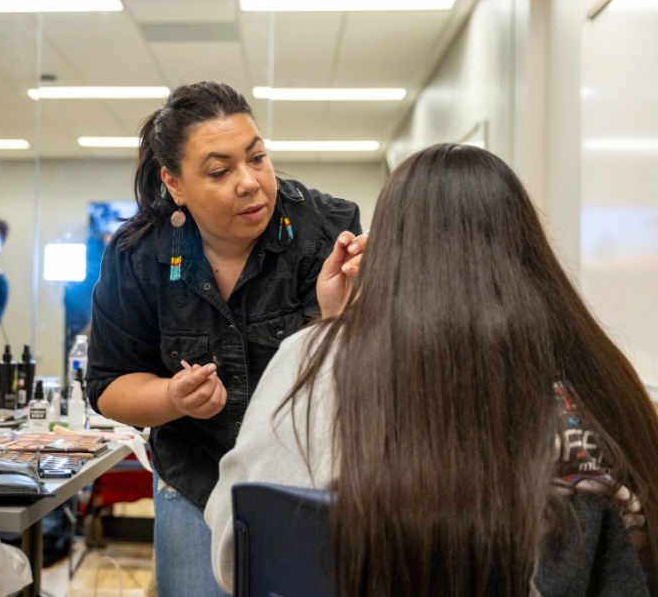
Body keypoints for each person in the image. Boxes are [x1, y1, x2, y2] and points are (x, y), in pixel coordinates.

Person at [205, 144, 658, 596]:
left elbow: (240, 545)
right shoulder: (597, 375)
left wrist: (333, 330)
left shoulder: (314, 359)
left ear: (389, 249)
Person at [85, 81, 364, 596]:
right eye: (220, 171)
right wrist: (172, 398)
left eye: (257, 158)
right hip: (195, 478)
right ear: (175, 184)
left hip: (305, 478)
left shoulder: (326, 230)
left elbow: (358, 375)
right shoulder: (138, 254)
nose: (251, 183)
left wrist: (336, 318)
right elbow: (108, 384)